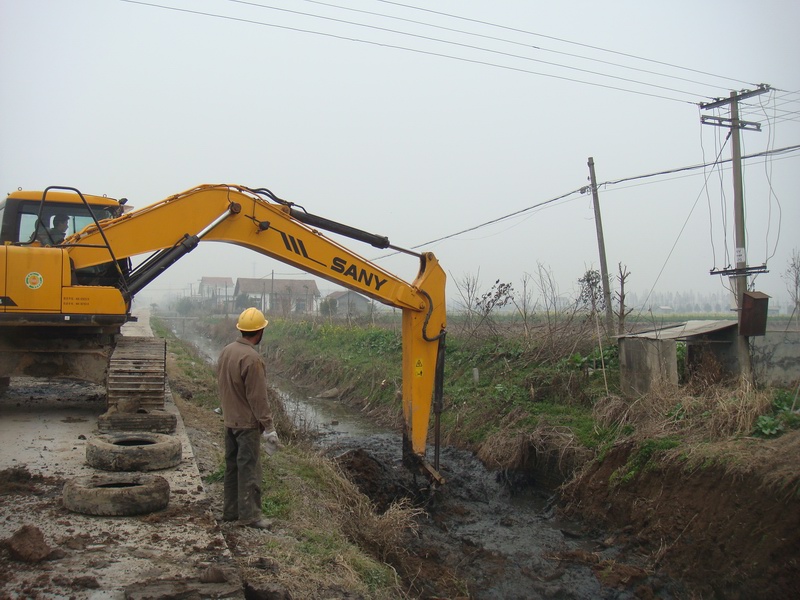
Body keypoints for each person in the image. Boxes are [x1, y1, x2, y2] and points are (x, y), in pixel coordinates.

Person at [216, 307, 278, 529]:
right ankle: (250, 516)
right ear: (260, 331)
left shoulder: (227, 351)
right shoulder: (252, 359)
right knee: (249, 469)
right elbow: (258, 398)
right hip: (247, 425)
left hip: (230, 420)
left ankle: (231, 512)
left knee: (232, 467)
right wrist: (269, 427)